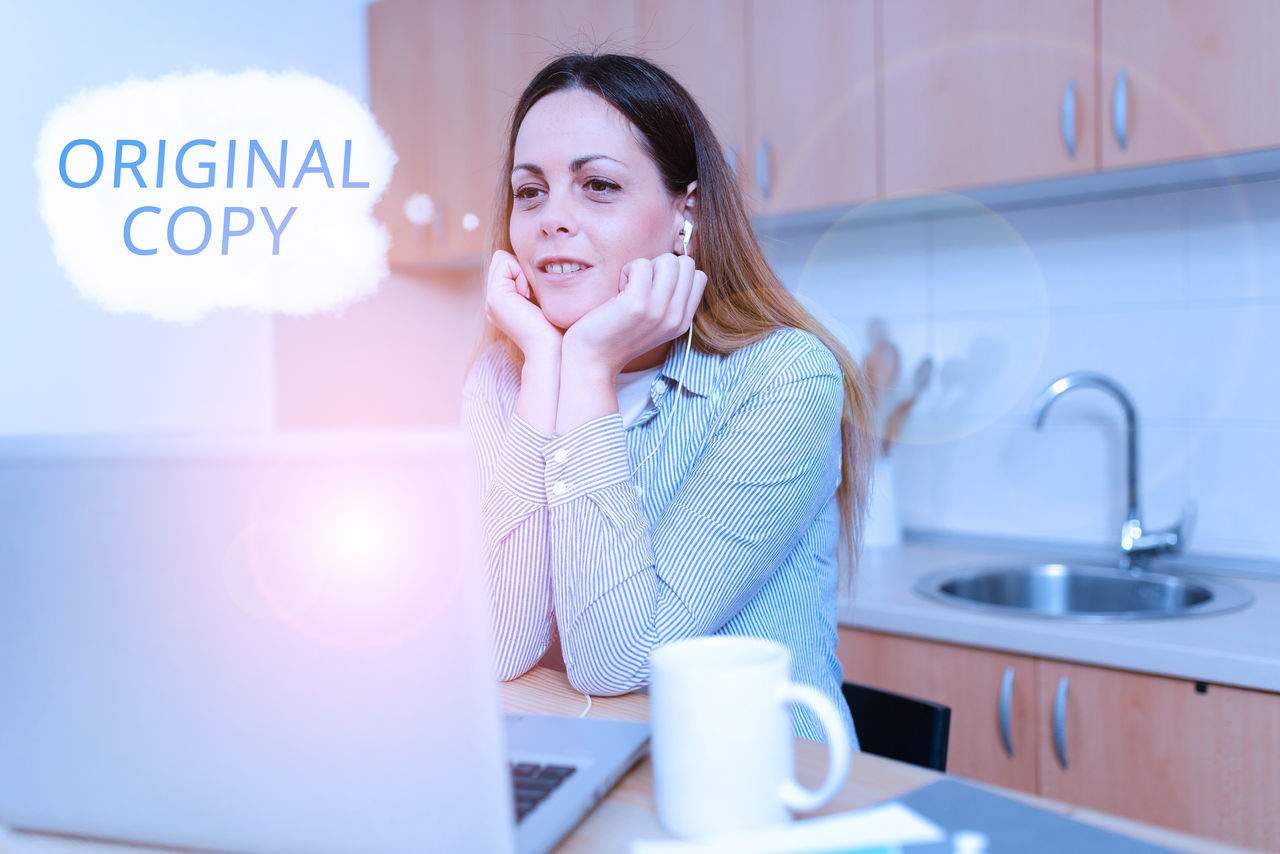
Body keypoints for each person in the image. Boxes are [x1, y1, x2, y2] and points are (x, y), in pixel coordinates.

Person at [461, 52, 872, 744]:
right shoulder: (505, 375)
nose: (550, 218)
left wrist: (589, 366)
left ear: (687, 213)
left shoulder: (785, 379)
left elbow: (617, 658)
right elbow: (495, 645)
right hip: (595, 767)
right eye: (529, 192)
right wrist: (543, 370)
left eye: (596, 185)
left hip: (768, 787)